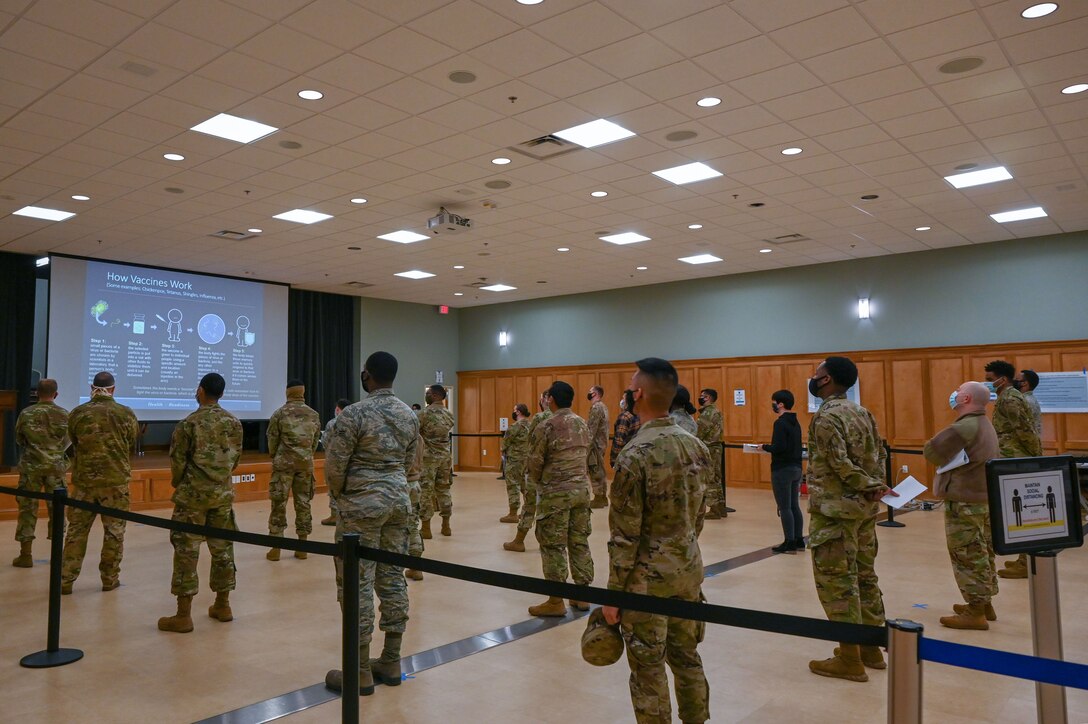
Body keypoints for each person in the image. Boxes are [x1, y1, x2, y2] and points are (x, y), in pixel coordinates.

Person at [603, 358, 711, 724]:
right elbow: (699, 515)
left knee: (648, 670)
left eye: (632, 386)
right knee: (688, 658)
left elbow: (624, 535)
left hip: (645, 583)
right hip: (688, 571)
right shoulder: (695, 446)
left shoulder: (634, 455)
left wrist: (614, 595)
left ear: (639, 395)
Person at [324, 351, 420, 695]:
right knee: (392, 577)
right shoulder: (409, 415)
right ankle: (391, 660)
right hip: (398, 501)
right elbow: (411, 462)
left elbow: (335, 467)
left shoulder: (354, 414)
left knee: (357, 583)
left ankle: (360, 670)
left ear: (367, 377)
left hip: (362, 505)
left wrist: (344, 498)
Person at [806, 356, 889, 681]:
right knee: (864, 577)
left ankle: (850, 659)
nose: (814, 378)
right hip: (865, 512)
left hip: (835, 514)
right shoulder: (862, 412)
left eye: (817, 374)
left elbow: (838, 463)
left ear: (826, 380)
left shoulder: (826, 417)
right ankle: (870, 649)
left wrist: (869, 485)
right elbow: (880, 454)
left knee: (837, 582)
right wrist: (875, 488)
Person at [157, 373, 243, 633]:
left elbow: (178, 462)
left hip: (192, 497)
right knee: (223, 550)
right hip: (222, 496)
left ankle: (183, 615)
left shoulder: (188, 424)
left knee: (186, 550)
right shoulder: (234, 423)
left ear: (201, 391)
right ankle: (223, 604)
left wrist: (180, 483)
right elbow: (235, 458)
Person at [923, 381, 1000, 630]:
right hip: (982, 499)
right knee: (982, 551)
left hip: (965, 501)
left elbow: (932, 451)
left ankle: (975, 610)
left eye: (958, 391)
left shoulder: (965, 426)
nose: (954, 394)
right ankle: (984, 602)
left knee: (966, 553)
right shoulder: (985, 423)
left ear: (965, 398)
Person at [60, 371, 139, 594]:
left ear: (91, 388)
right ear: (113, 390)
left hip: (84, 482)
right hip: (115, 482)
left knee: (76, 531)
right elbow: (131, 440)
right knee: (114, 532)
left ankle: (66, 580)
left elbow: (73, 442)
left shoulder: (78, 413)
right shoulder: (125, 413)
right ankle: (109, 579)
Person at [524, 381, 594, 617]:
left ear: (550, 399)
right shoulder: (582, 423)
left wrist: (539, 482)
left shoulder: (547, 425)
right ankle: (582, 594)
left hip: (556, 494)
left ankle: (555, 600)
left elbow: (534, 462)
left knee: (553, 545)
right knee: (579, 541)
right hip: (582, 492)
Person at [985, 360, 1043, 580]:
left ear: (1004, 379)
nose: (988, 384)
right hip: (1011, 459)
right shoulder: (1006, 397)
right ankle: (1023, 558)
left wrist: (1035, 458)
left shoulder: (1010, 398)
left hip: (1017, 461)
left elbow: (1024, 430)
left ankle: (1026, 561)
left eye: (990, 380)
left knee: (1021, 511)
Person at [12, 378, 69, 568]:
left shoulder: (26, 413)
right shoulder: (64, 414)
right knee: (58, 510)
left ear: (36, 393)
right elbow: (69, 441)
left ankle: (25, 555)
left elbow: (19, 439)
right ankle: (57, 556)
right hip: (56, 468)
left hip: (31, 468)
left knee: (28, 510)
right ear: (56, 394)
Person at [265, 380, 321, 561]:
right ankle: (302, 546)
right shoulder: (314, 415)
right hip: (305, 465)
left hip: (283, 465)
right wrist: (305, 456)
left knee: (278, 504)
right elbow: (314, 443)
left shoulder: (279, 414)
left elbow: (272, 440)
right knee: (303, 504)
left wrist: (276, 456)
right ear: (302, 393)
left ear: (288, 393)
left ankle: (276, 548)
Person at [505, 393, 552, 552]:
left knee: (530, 503)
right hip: (560, 473)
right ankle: (548, 542)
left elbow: (533, 442)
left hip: (535, 467)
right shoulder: (575, 420)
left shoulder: (540, 418)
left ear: (546, 399)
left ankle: (519, 540)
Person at [762, 389, 804, 553]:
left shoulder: (780, 423)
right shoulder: (796, 421)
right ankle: (799, 540)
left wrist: (763, 447)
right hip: (796, 467)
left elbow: (779, 447)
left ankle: (789, 542)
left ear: (780, 404)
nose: (772, 405)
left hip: (782, 469)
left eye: (774, 402)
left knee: (784, 507)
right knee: (794, 506)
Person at [418, 384, 455, 538]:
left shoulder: (424, 414)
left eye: (428, 393)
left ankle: (426, 528)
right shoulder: (449, 415)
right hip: (445, 458)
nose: (427, 395)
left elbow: (417, 434)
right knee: (444, 489)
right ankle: (446, 526)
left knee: (425, 492)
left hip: (428, 458)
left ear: (434, 395)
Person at [320, 398, 352, 527]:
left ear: (338, 409)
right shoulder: (355, 421)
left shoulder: (333, 423)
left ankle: (334, 515)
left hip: (335, 461)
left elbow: (326, 441)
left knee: (334, 487)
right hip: (351, 461)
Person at [696, 389, 725, 519]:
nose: (700, 398)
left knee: (711, 478)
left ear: (707, 397)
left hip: (709, 449)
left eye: (702, 396)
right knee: (717, 478)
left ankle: (714, 509)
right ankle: (720, 507)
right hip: (716, 448)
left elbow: (699, 432)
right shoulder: (716, 411)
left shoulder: (707, 413)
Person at [499, 404, 531, 523]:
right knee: (524, 485)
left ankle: (513, 513)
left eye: (514, 410)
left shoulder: (515, 426)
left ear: (518, 412)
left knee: (513, 485)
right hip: (526, 459)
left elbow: (506, 442)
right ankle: (528, 510)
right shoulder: (530, 424)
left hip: (514, 460)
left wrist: (502, 451)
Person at [404, 432, 426, 581]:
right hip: (414, 484)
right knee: (412, 525)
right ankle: (416, 566)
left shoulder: (390, 432)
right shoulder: (417, 436)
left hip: (395, 485)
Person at [587, 385, 610, 508]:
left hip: (595, 445)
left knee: (595, 470)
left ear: (595, 394)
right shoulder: (603, 407)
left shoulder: (596, 408)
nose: (588, 394)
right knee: (600, 469)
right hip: (601, 443)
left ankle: (599, 497)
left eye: (590, 392)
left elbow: (591, 429)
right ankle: (602, 497)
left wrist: (586, 446)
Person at [610, 389, 641, 467]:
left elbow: (619, 440)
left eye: (623, 398)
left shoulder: (625, 417)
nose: (622, 401)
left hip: (624, 459)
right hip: (637, 456)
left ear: (628, 401)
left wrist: (614, 459)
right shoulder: (639, 415)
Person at [1016, 369, 1043, 437]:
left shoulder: (1025, 401)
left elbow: (1021, 426)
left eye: (1017, 379)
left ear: (1024, 383)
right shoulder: (1029, 398)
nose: (1014, 381)